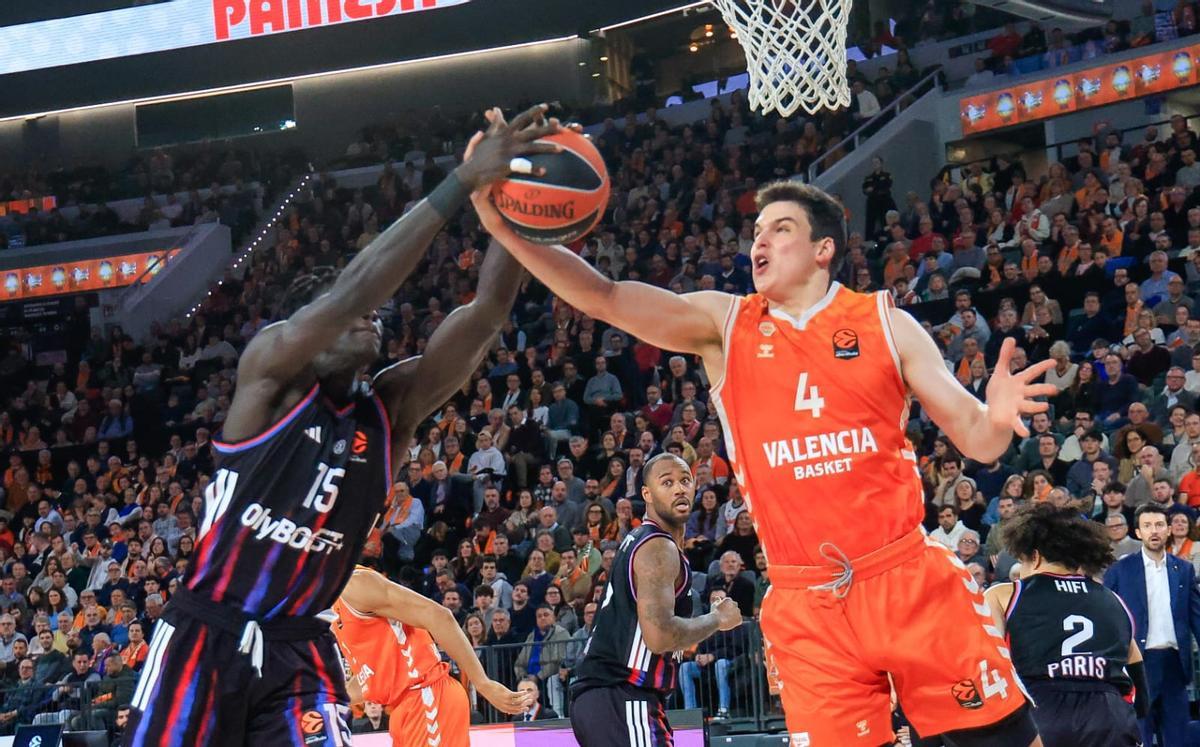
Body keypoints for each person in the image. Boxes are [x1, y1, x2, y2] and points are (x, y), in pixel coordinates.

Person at [476, 176, 1053, 744]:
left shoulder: (886, 323)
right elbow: (604, 296)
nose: (760, 242)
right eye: (756, 231)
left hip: (904, 577)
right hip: (806, 603)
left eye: (781, 229)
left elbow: (978, 439)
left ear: (824, 249)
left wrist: (998, 419)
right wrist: (508, 226)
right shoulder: (724, 326)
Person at [124, 105, 557, 745]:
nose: (370, 316)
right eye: (351, 311)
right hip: (205, 634)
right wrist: (461, 182)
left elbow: (487, 311)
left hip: (300, 647)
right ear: (311, 321)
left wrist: (519, 216)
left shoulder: (389, 411)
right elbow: (353, 292)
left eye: (375, 315)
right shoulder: (269, 373)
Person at [569, 454, 741, 746]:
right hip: (621, 693)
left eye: (685, 480)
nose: (679, 489)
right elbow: (659, 637)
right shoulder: (657, 547)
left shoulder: (641, 540)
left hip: (607, 697)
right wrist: (717, 619)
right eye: (667, 482)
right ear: (646, 493)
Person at [984, 504, 1143, 746]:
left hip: (1042, 709)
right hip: (1109, 714)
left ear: (1035, 557)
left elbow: (988, 660)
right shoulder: (1113, 599)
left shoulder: (1004, 594)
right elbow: (1135, 661)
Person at [329, 565, 533, 747]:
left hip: (426, 694)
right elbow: (371, 678)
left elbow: (438, 615)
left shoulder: (354, 584)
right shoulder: (329, 610)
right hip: (403, 709)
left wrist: (482, 683)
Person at [1104, 503, 1200, 747]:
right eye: (1147, 526)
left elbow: (1196, 617)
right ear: (1138, 532)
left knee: (1178, 735)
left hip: (1174, 664)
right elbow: (1108, 617)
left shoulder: (1184, 570)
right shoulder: (1120, 570)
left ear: (1168, 530)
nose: (1153, 531)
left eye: (1159, 525)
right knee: (1139, 734)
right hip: (1136, 662)